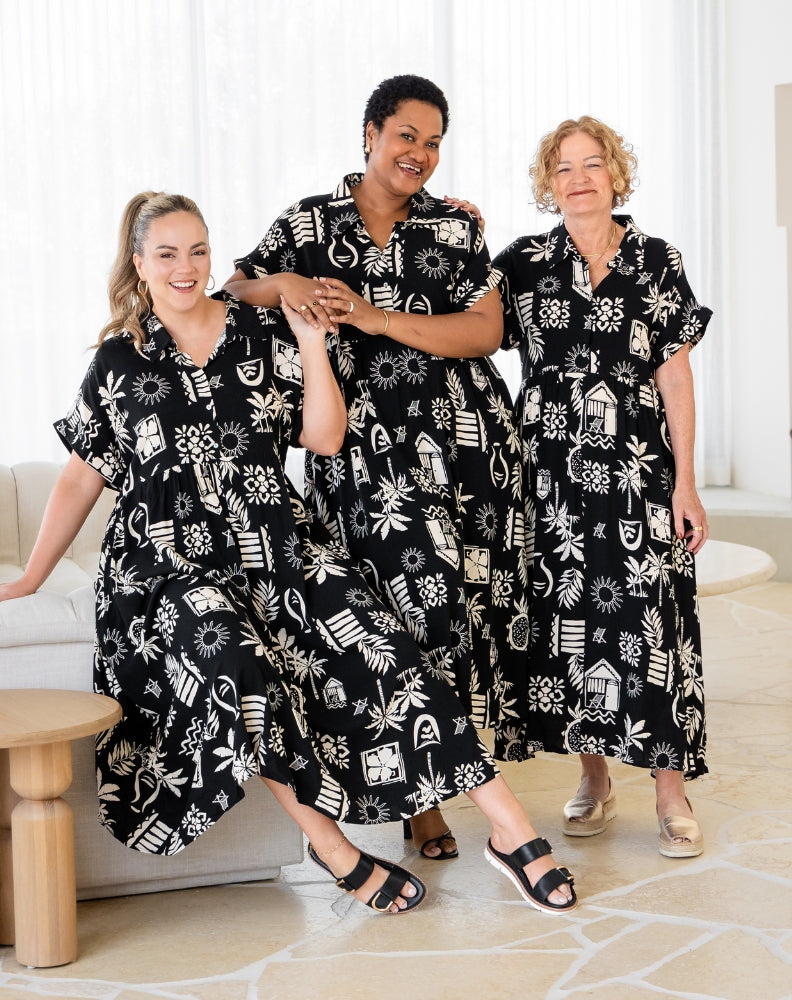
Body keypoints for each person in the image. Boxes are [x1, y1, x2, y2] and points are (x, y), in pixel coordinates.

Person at [0, 191, 576, 914]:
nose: (187, 267)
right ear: (139, 264)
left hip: (279, 546)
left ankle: (509, 831)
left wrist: (310, 347)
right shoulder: (120, 360)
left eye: (199, 250)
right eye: (169, 254)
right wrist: (32, 575)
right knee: (235, 665)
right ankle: (337, 852)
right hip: (165, 567)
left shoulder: (261, 332)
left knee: (386, 648)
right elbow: (82, 473)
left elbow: (326, 438)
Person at [225, 74, 527, 862]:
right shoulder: (307, 221)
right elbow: (234, 285)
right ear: (369, 132)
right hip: (359, 457)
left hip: (462, 447)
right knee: (396, 618)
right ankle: (430, 802)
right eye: (406, 136)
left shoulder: (455, 230)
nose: (419, 154)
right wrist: (284, 283)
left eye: (433, 143)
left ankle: (441, 794)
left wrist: (373, 316)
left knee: (454, 615)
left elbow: (487, 331)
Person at [493, 117, 712, 858]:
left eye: (593, 164)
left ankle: (669, 789)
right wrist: (452, 221)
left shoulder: (656, 259)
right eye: (563, 168)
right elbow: (460, 310)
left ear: (616, 174)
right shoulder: (521, 263)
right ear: (546, 183)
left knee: (655, 619)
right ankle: (594, 779)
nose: (579, 178)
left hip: (639, 469)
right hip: (550, 474)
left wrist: (687, 482)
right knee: (570, 621)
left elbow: (675, 375)